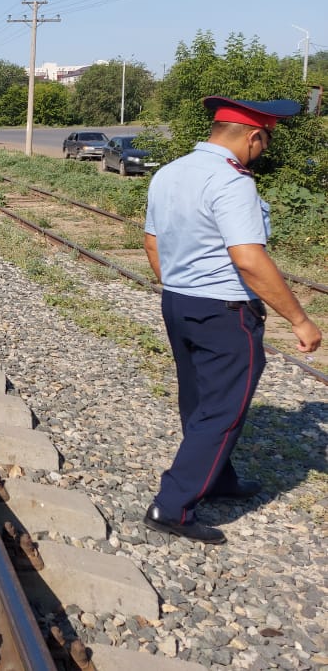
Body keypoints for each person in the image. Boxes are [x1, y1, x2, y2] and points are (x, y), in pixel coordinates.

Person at [142, 96, 321, 544]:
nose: (262, 152)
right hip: (224, 314)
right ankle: (173, 505)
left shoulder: (170, 171)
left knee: (199, 400)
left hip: (179, 302)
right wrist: (299, 320)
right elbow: (249, 259)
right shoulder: (232, 182)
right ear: (253, 135)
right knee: (223, 409)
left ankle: (218, 477)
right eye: (265, 143)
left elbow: (151, 244)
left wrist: (183, 287)